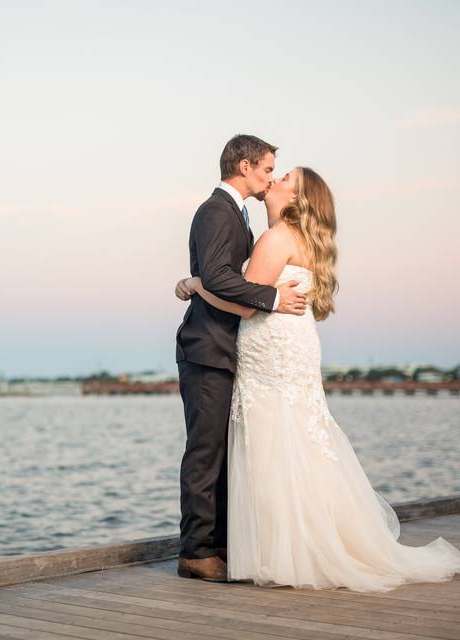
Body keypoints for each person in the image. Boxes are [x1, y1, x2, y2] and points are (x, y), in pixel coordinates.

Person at [176, 165, 460, 590]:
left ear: (297, 199)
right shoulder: (303, 240)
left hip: (271, 348)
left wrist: (195, 281)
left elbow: (243, 304)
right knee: (297, 439)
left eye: (284, 179)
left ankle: (277, 550)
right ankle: (297, 542)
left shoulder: (276, 237)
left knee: (272, 442)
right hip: (295, 345)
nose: (275, 180)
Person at [173, 134, 308, 582]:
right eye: (268, 169)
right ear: (246, 166)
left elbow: (212, 277)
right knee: (205, 452)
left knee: (226, 454)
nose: (271, 178)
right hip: (207, 349)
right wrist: (270, 297)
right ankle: (196, 551)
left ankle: (222, 545)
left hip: (227, 349)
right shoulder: (216, 210)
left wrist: (195, 282)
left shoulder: (238, 213)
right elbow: (218, 277)